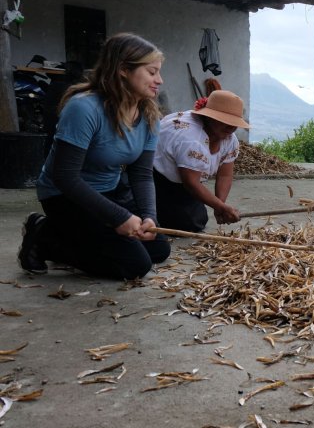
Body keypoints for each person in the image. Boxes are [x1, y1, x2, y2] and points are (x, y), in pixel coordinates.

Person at [17, 32, 171, 279]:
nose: (159, 80)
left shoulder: (149, 115)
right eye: (152, 72)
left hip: (107, 190)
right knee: (134, 265)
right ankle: (45, 236)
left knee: (158, 248)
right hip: (64, 195)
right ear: (123, 69)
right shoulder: (84, 108)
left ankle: (78, 238)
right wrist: (118, 216)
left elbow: (141, 174)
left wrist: (149, 217)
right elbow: (65, 176)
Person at [152, 89, 249, 232]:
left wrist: (220, 205)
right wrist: (221, 207)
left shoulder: (229, 139)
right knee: (189, 223)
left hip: (186, 182)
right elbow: (191, 183)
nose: (231, 127)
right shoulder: (191, 138)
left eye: (234, 123)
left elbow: (225, 175)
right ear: (210, 118)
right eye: (225, 122)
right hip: (156, 179)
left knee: (197, 218)